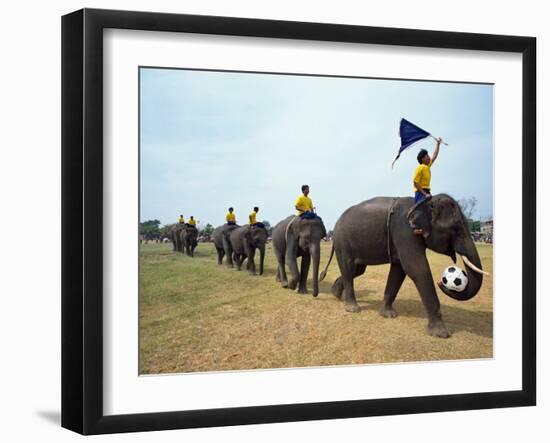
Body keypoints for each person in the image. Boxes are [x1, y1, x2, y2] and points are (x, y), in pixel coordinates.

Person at [410, 138, 442, 235]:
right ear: (423, 158)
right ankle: (415, 228)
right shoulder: (420, 168)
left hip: (426, 191)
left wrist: (438, 144)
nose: (429, 157)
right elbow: (415, 182)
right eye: (427, 156)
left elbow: (434, 157)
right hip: (421, 192)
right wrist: (424, 194)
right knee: (421, 211)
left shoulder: (427, 167)